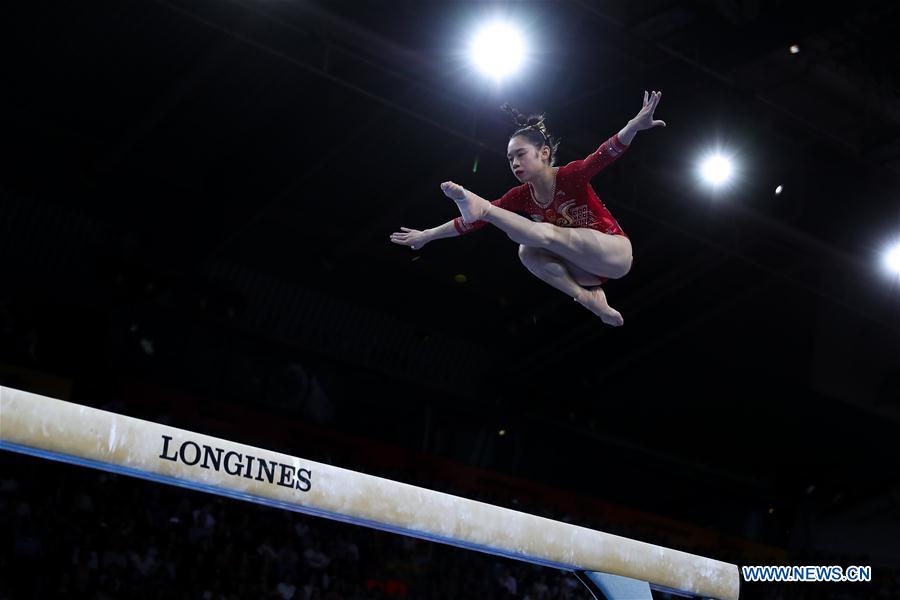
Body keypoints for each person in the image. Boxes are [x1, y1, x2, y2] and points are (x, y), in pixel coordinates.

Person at [390, 91, 666, 326]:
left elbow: (605, 153)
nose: (514, 163)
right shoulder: (521, 196)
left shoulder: (570, 176)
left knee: (542, 232)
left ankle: (484, 207)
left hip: (615, 253)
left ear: (543, 153)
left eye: (520, 154)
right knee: (527, 251)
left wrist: (633, 126)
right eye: (510, 158)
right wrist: (427, 235)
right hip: (586, 272)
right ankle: (588, 299)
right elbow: (468, 223)